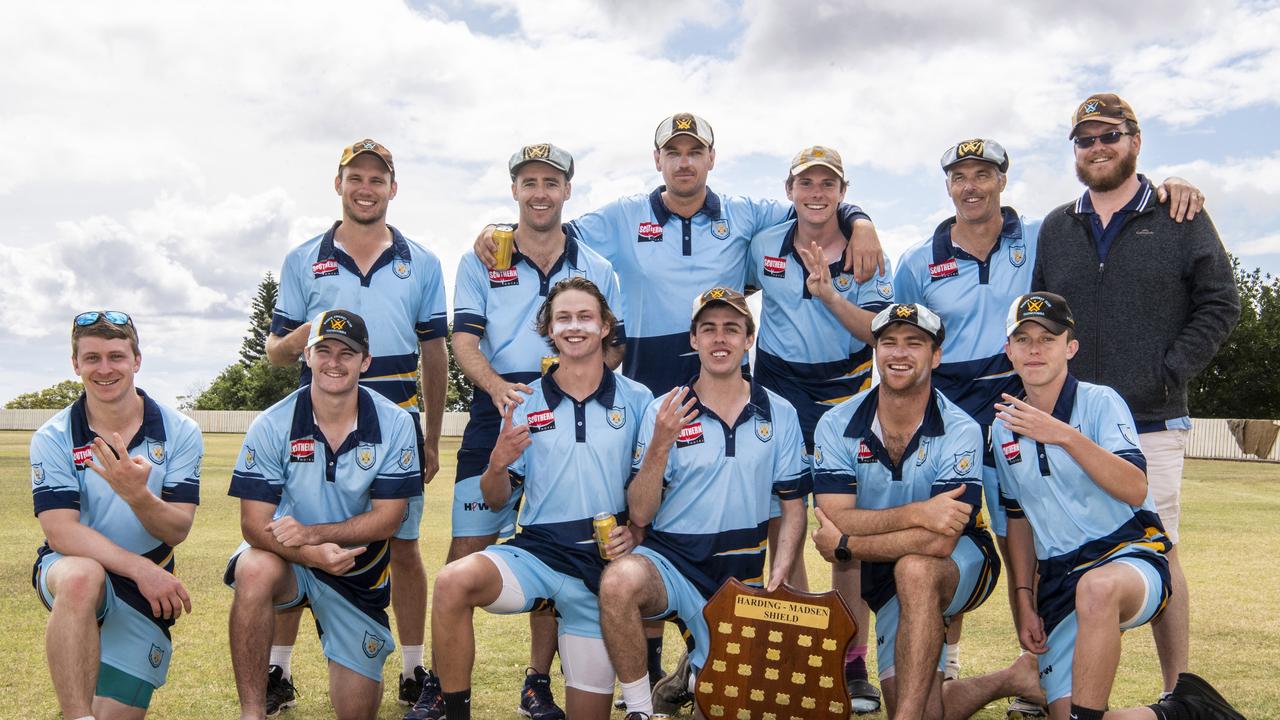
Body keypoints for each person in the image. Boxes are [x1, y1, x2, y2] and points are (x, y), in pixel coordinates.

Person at [894, 138, 1205, 714]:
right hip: (965, 425)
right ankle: (966, 665)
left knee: (1073, 543)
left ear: (1003, 180)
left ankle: (1169, 689)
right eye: (959, 175)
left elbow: (1108, 201)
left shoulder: (1044, 232)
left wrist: (1167, 190)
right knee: (961, 531)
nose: (971, 185)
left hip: (1037, 416)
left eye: (983, 173)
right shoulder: (918, 260)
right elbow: (904, 334)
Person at [1032, 93, 1241, 700]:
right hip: (1069, 421)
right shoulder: (1057, 226)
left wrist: (1169, 368)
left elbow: (1221, 302)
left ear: (1135, 141)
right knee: (1067, 548)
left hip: (1151, 416)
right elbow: (1044, 318)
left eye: (1109, 136)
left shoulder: (1180, 214)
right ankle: (1058, 685)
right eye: (1086, 140)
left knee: (1159, 547)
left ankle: (1179, 692)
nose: (1097, 148)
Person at [424, 143, 626, 720]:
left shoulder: (597, 266)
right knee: (467, 545)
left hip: (571, 404)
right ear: (514, 189)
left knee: (557, 543)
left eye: (551, 182)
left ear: (567, 190)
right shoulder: (484, 257)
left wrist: (576, 393)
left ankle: (536, 681)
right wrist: (495, 390)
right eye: (529, 181)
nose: (540, 192)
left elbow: (613, 344)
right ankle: (442, 684)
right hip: (499, 405)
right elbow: (463, 340)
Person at [995, 292, 1244, 719]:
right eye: (1023, 339)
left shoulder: (1101, 401)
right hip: (1059, 579)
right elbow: (1017, 520)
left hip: (1130, 558)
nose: (1035, 349)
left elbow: (1134, 486)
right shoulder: (1002, 429)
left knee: (1099, 587)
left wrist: (1062, 434)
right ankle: (1181, 713)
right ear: (1009, 351)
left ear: (1070, 348)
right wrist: (1023, 599)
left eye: (1048, 338)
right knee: (1069, 712)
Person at [264, 139, 449, 712]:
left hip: (398, 418)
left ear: (393, 187)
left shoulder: (422, 260)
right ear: (338, 185)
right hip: (318, 418)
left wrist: (432, 436)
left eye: (377, 178)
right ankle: (277, 671)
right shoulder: (303, 259)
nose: (365, 188)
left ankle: (415, 669)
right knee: (297, 538)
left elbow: (435, 352)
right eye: (355, 178)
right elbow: (274, 352)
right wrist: (306, 334)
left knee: (404, 542)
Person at [430, 277, 653, 720]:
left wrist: (636, 532)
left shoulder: (638, 399)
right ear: (549, 329)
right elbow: (496, 501)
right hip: (537, 554)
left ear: (606, 326)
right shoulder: (525, 401)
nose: (575, 327)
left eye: (586, 317)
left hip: (601, 571)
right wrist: (496, 464)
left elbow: (646, 493)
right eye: (563, 318)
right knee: (452, 581)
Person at [810, 303, 1045, 720]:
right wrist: (919, 512)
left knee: (916, 568)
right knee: (923, 706)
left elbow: (940, 539)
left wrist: (847, 545)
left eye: (914, 343)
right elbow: (835, 516)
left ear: (935, 356)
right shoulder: (836, 421)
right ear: (876, 351)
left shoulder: (961, 429)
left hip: (960, 561)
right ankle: (1013, 677)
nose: (899, 353)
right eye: (889, 342)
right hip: (882, 572)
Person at [597, 286, 810, 720]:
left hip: (740, 578)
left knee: (727, 708)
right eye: (708, 329)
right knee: (619, 582)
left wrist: (782, 571)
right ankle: (640, 710)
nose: (719, 339)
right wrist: (659, 443)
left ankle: (691, 676)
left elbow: (792, 507)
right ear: (693, 340)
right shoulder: (666, 409)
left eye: (732, 329)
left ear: (748, 339)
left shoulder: (780, 412)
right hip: (672, 565)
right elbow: (640, 513)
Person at [745, 145, 893, 713]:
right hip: (780, 390)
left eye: (827, 184)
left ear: (842, 191)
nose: (816, 192)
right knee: (786, 516)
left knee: (840, 528)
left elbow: (877, 332)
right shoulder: (764, 246)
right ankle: (809, 644)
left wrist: (828, 290)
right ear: (790, 190)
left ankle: (852, 662)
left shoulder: (867, 250)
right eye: (806, 182)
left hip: (846, 395)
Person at [226, 310, 422, 720]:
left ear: (365, 361)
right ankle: (251, 712)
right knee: (254, 569)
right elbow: (252, 524)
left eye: (347, 353)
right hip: (288, 559)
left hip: (357, 572)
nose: (334, 361)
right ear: (308, 357)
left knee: (357, 709)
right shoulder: (271, 423)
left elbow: (389, 520)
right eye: (324, 350)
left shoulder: (397, 423)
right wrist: (309, 554)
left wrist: (313, 537)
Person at [30, 310, 202, 720]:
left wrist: (137, 496)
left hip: (145, 587)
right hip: (75, 568)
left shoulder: (180, 431)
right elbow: (60, 532)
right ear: (76, 364)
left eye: (116, 356)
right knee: (82, 576)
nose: (104, 369)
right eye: (91, 358)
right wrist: (139, 570)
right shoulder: (53, 437)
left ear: (136, 361)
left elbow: (177, 529)